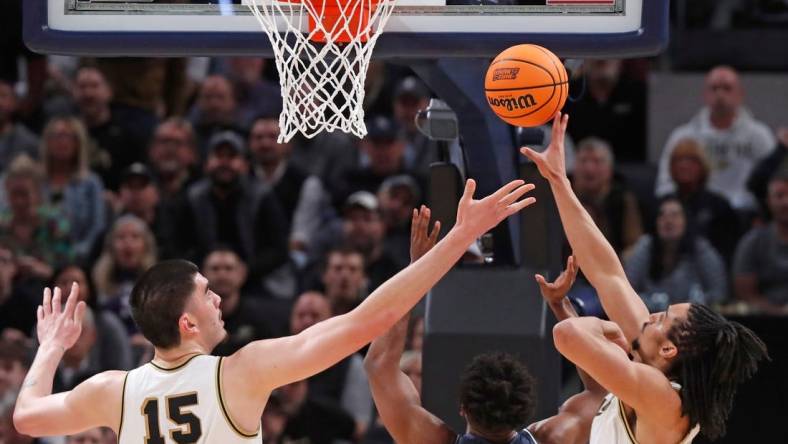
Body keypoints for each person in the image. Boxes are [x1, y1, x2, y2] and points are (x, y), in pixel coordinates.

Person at [12, 176, 537, 441]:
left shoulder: (114, 390)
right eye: (205, 291)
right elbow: (367, 321)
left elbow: (27, 416)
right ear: (187, 322)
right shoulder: (241, 373)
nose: (218, 295)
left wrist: (51, 348)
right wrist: (461, 236)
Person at [521, 112, 768, 442]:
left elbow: (567, 335)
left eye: (663, 318)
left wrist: (608, 329)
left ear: (668, 350)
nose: (651, 315)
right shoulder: (654, 365)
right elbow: (608, 273)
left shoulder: (662, 397)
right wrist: (559, 182)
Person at [364, 208, 604, 444]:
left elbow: (379, 365)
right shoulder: (554, 438)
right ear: (525, 409)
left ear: (462, 408)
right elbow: (599, 391)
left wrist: (417, 270)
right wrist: (560, 304)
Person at [656, 66, 775, 211]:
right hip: (697, 212)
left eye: (727, 88)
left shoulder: (759, 135)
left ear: (740, 94)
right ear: (704, 95)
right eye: (714, 88)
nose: (720, 94)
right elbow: (664, 183)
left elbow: (773, 180)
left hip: (747, 212)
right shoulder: (683, 136)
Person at [624, 196, 728, 311]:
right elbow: (627, 291)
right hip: (650, 318)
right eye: (662, 215)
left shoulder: (700, 248)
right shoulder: (645, 246)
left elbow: (719, 292)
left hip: (693, 321)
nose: (668, 221)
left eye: (675, 215)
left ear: (686, 221)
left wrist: (694, 307)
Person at [733, 168, 788, 314]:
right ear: (768, 201)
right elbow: (744, 294)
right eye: (779, 196)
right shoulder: (752, 242)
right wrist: (779, 312)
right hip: (764, 324)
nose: (785, 202)